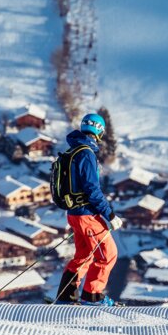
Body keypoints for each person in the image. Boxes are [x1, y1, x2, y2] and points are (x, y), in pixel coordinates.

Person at [56, 113, 123, 306]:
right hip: (87, 215)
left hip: (75, 214)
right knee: (108, 254)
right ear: (99, 131)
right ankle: (91, 296)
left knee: (83, 255)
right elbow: (92, 189)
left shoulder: (74, 150)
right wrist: (109, 214)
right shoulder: (86, 153)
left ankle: (66, 296)